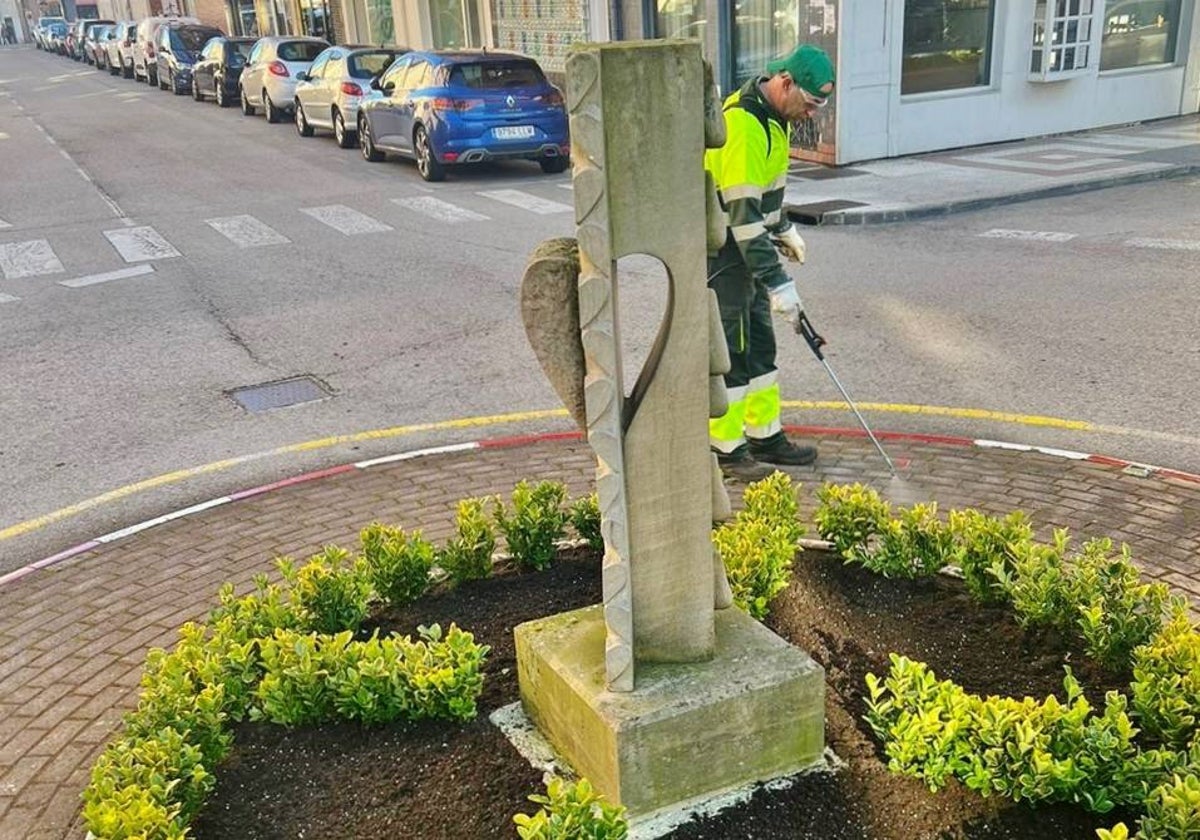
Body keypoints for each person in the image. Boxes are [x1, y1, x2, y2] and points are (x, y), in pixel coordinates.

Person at [704, 44, 835, 481]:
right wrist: (779, 283)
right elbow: (742, 218)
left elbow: (764, 199)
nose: (811, 113)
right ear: (785, 82)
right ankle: (726, 447)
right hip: (725, 253)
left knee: (761, 343)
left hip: (749, 251)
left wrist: (783, 230)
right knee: (733, 352)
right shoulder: (743, 123)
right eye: (810, 103)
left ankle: (765, 436)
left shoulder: (776, 121)